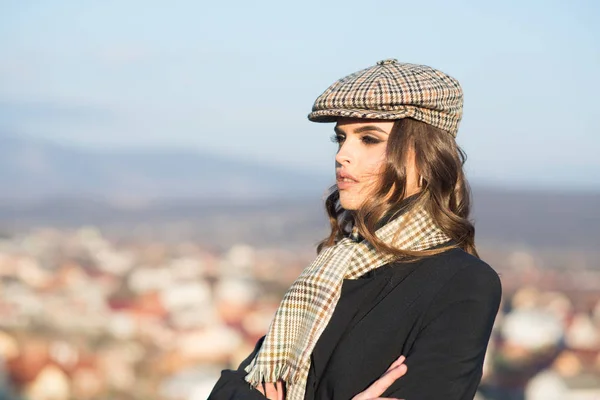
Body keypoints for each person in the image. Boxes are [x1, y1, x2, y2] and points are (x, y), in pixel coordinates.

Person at [208, 59, 502, 400]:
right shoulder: (330, 272)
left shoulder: (463, 283)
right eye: (341, 138)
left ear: (426, 158)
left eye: (369, 139)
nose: (342, 155)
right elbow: (229, 389)